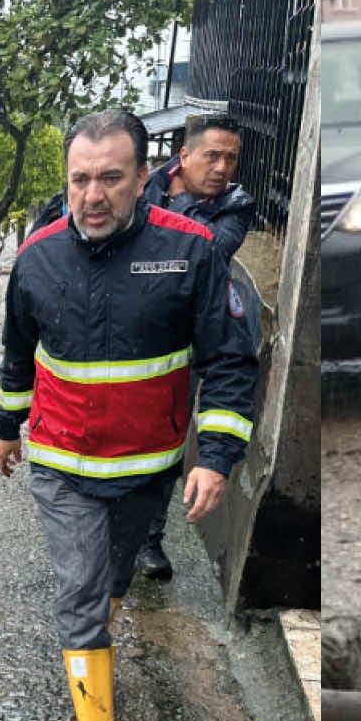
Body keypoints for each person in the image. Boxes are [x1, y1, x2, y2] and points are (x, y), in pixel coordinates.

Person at [0, 110, 258, 721]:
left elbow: (229, 360)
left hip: (147, 467)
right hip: (61, 462)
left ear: (146, 176)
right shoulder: (38, 257)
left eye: (111, 177)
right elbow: (19, 353)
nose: (94, 194)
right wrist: (6, 425)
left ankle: (98, 639)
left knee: (109, 581)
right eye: (80, 179)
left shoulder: (193, 252)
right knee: (80, 591)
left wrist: (217, 457)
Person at [132, 114, 260, 581]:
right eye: (213, 155)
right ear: (184, 156)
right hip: (132, 324)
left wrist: (178, 203)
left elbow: (201, 252)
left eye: (231, 158)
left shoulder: (238, 206)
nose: (223, 168)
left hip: (187, 340)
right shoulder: (142, 181)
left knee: (166, 443)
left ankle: (149, 540)